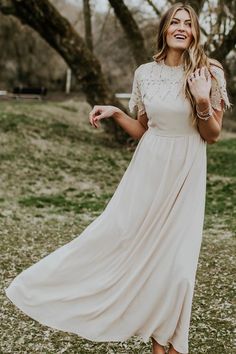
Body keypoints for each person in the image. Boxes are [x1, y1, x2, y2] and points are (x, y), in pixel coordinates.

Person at [5, 2, 231, 354]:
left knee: (179, 273)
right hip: (148, 173)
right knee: (116, 244)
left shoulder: (209, 71)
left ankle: (171, 344)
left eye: (189, 23)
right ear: (164, 29)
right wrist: (114, 111)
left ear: (196, 31)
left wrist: (202, 100)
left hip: (186, 175)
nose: (182, 27)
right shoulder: (144, 73)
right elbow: (143, 129)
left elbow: (212, 134)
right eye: (175, 22)